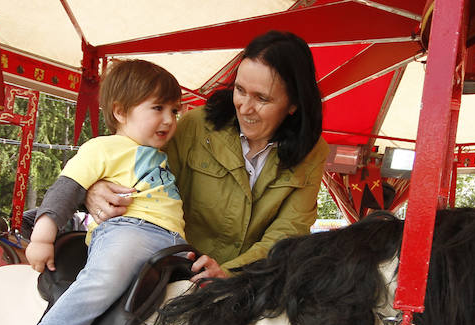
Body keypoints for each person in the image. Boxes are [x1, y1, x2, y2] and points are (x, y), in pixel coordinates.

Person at [1, 59, 187, 325]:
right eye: (158, 108)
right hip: (129, 231)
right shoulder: (102, 148)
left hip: (175, 244)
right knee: (104, 278)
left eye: (174, 110)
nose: (169, 119)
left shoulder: (159, 155)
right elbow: (66, 189)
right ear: (120, 112)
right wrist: (43, 235)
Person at [84, 30, 329, 281]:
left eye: (262, 98)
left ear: (293, 104)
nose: (244, 107)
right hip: (172, 273)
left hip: (247, 283)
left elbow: (288, 232)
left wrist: (229, 272)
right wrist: (92, 190)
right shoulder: (196, 125)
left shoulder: (313, 151)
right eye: (240, 90)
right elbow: (135, 166)